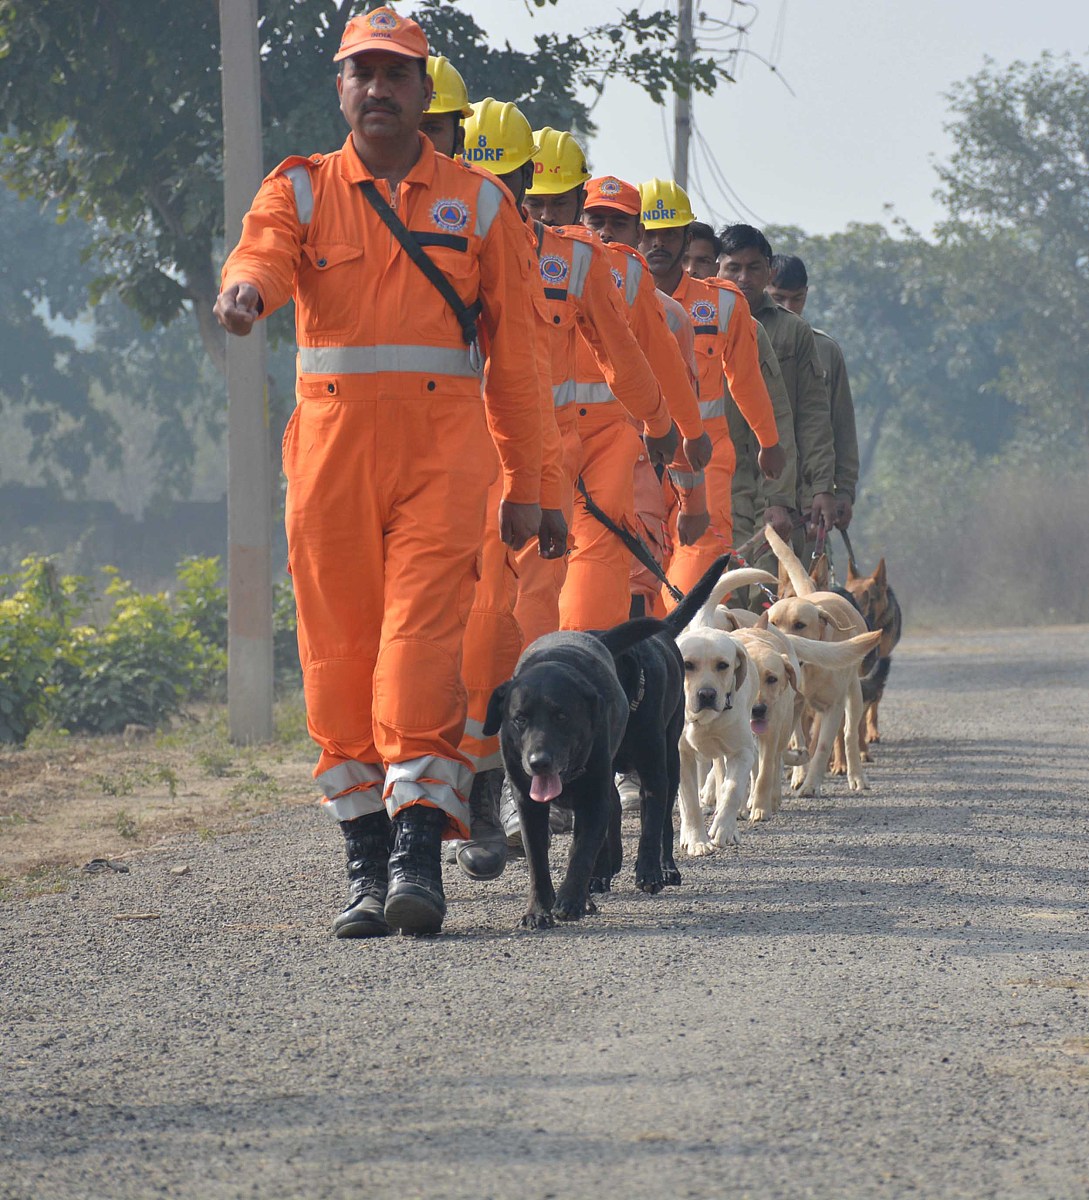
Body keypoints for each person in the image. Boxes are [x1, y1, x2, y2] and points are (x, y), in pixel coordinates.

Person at [214, 8, 544, 939]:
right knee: (336, 660)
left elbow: (516, 364)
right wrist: (246, 292)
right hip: (328, 458)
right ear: (341, 88)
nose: (378, 89)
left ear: (423, 90)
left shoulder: (480, 205)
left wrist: (536, 486)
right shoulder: (303, 189)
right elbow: (261, 252)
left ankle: (415, 853)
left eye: (396, 74)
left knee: (417, 650)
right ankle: (362, 857)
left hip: (444, 456)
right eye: (362, 73)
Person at [523, 147, 696, 632]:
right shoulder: (500, 256)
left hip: (624, 461)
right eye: (536, 202)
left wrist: (685, 470)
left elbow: (656, 370)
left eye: (617, 224)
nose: (546, 215)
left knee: (613, 584)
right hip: (535, 448)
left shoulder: (662, 305)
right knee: (531, 582)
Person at [637, 179, 788, 598]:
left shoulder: (722, 303)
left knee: (692, 574)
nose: (658, 243)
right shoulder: (609, 294)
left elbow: (745, 379)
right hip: (633, 459)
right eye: (649, 232)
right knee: (637, 575)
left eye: (669, 233)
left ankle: (684, 648)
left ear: (687, 238)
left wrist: (768, 441)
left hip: (706, 458)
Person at [718, 224, 836, 549]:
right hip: (715, 478)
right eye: (734, 268)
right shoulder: (696, 322)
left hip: (775, 482)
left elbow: (813, 417)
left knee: (768, 587)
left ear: (768, 271)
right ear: (719, 268)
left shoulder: (794, 331)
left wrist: (821, 487)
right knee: (717, 588)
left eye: (753, 268)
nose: (743, 278)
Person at [768, 253, 860, 531]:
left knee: (809, 574)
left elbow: (841, 428)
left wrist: (843, 490)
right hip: (760, 496)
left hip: (810, 502)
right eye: (779, 298)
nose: (789, 308)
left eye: (797, 299)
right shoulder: (745, 340)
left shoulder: (826, 350)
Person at [419, 55, 470, 158]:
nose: (418, 139)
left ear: (458, 140)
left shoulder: (477, 175)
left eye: (431, 128)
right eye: (406, 128)